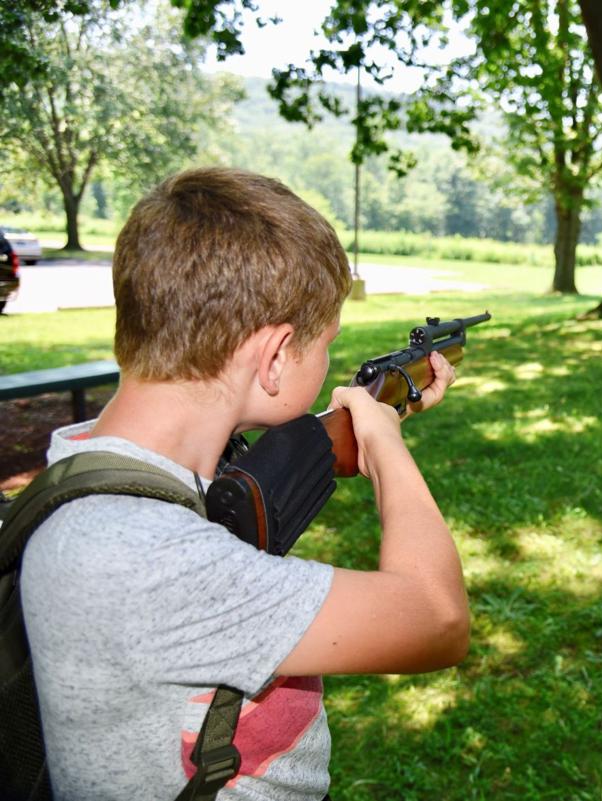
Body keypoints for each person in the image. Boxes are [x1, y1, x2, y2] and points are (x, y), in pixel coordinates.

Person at [19, 167, 470, 800]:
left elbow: (257, 477)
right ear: (276, 356)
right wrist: (386, 448)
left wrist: (371, 418)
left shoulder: (100, 473)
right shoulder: (150, 560)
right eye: (327, 344)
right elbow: (437, 618)